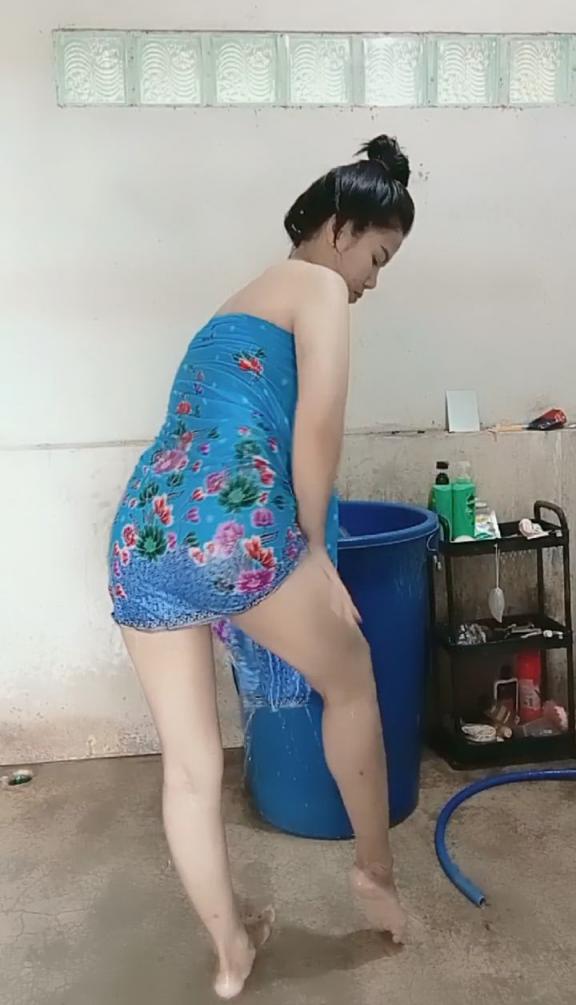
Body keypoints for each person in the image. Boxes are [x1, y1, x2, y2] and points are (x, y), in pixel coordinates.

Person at [108, 134, 415, 999]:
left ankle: (230, 954)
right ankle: (374, 871)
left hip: (142, 532)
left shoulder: (233, 305)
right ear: (342, 229)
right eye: (377, 258)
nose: (371, 282)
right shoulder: (317, 287)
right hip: (229, 523)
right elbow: (316, 425)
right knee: (351, 680)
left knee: (190, 766)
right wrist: (314, 549)